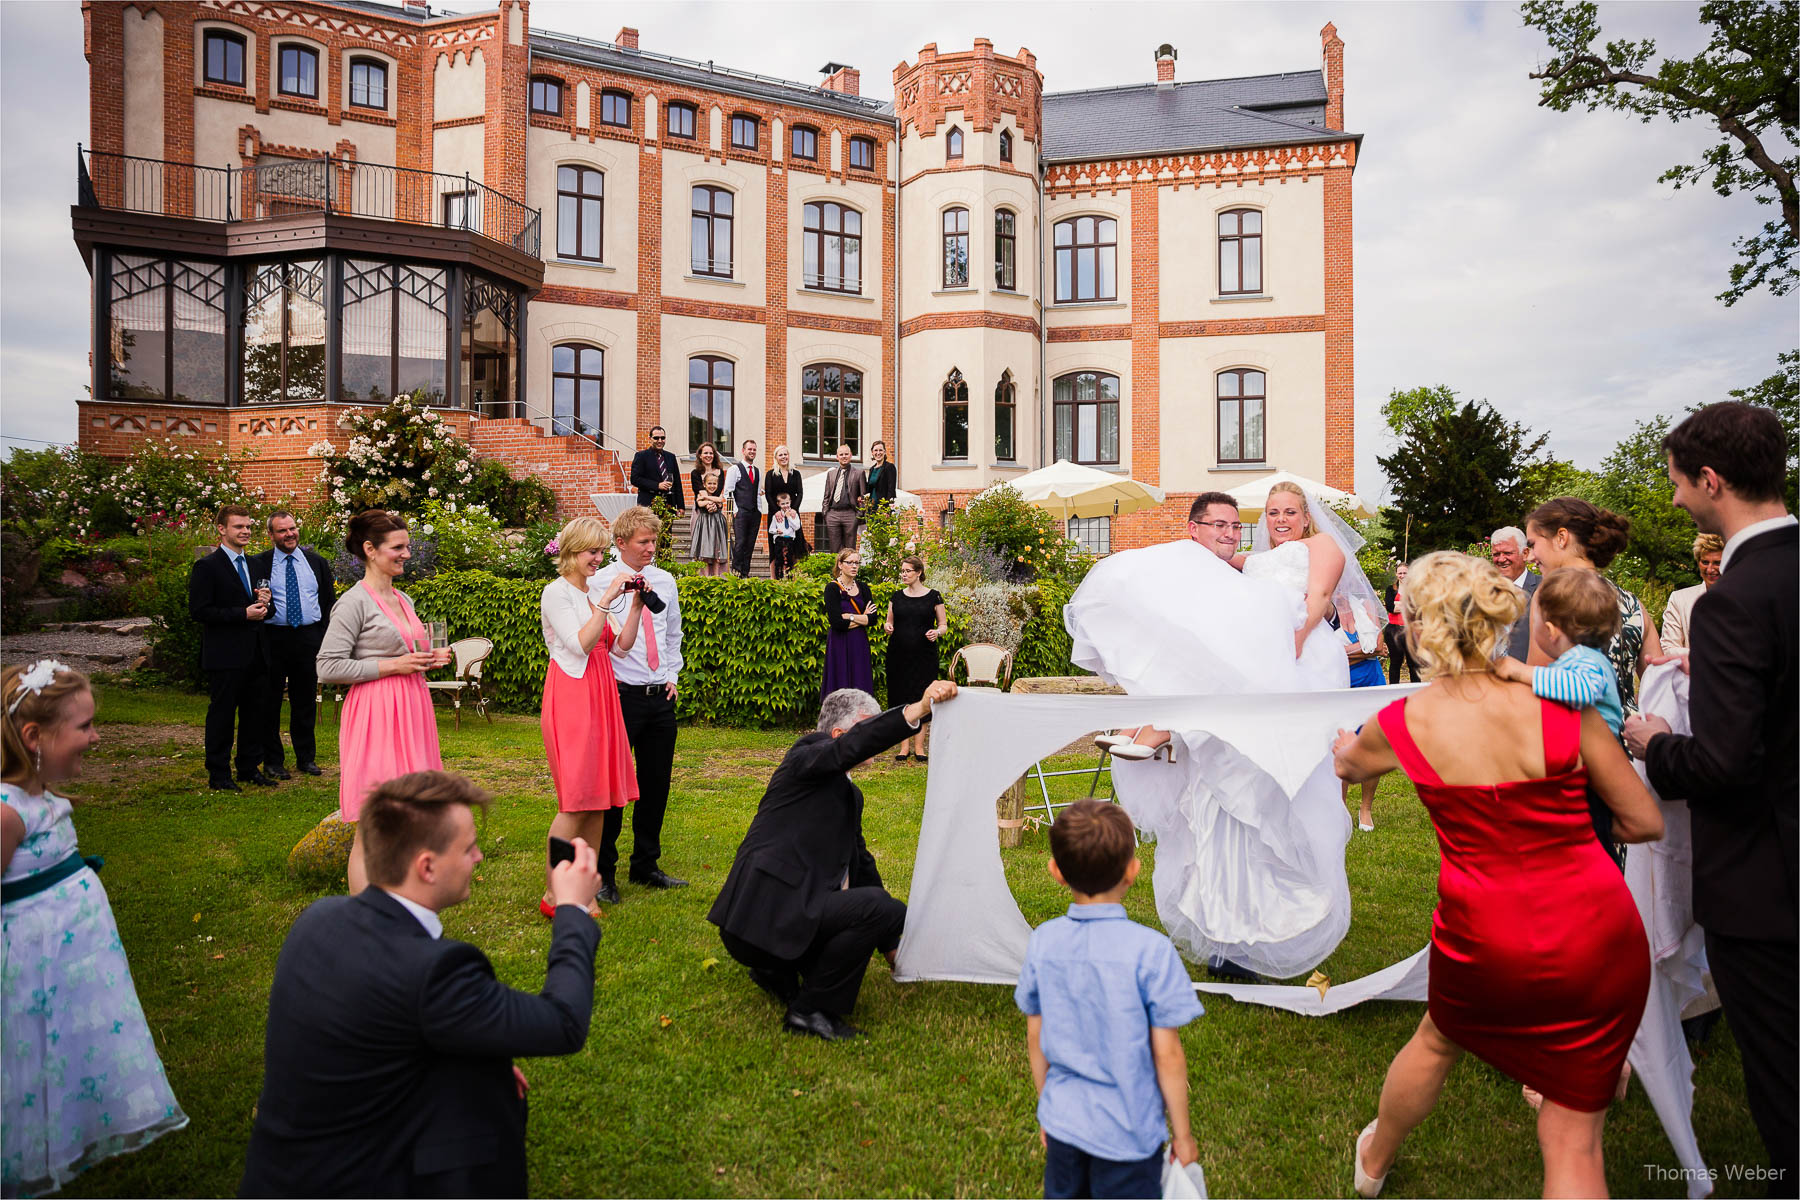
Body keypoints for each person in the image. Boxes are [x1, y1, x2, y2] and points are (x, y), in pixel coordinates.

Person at [1334, 551, 1662, 1199]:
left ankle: (1373, 1162)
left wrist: (1342, 749)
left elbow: (1348, 767)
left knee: (1436, 1041)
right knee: (1574, 1142)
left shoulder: (1402, 722)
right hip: (1596, 928)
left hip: (1483, 933)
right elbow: (1643, 819)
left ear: (1423, 630)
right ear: (1495, 621)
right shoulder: (1564, 711)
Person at [1065, 484, 1381, 978]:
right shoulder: (1253, 560)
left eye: (1290, 511)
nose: (1279, 519)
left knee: (1265, 787)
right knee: (1216, 791)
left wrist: (1284, 650)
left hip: (1295, 662)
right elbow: (1198, 569)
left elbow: (1317, 600)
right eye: (1272, 511)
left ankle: (1161, 726)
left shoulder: (1322, 547)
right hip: (1256, 667)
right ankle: (1222, 930)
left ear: (1306, 517)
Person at [239, 771, 602, 1198]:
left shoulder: (318, 919)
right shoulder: (435, 972)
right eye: (468, 848)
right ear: (426, 867)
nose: (480, 857)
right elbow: (561, 1022)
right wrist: (573, 910)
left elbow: (380, 1033)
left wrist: (479, 1065)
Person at [1625, 401, 1796, 1187]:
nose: (1673, 502)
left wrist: (1656, 744)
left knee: (1786, 1078)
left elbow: (1723, 765)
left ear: (1712, 478)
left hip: (1771, 884)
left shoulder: (1733, 601)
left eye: (1677, 485)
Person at [2, 661, 188, 1196]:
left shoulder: (45, 796)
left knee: (67, 1045)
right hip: (30, 960)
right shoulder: (8, 811)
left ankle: (71, 1128)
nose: (96, 736)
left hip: (72, 955)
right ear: (35, 736)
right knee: (31, 1051)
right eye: (84, 727)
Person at [708, 681, 958, 1041]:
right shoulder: (807, 754)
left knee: (885, 908)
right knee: (878, 907)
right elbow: (851, 747)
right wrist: (916, 710)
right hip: (757, 919)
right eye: (866, 728)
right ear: (839, 735)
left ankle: (775, 972)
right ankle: (809, 1010)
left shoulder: (848, 793)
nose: (873, 741)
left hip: (772, 919)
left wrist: (890, 942)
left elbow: (861, 864)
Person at [1016, 799, 1202, 1200]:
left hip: (1063, 1123)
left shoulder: (1042, 942)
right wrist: (1182, 1135)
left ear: (1056, 872)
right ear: (1133, 870)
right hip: (1131, 1134)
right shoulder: (1152, 952)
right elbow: (1168, 1054)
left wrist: (1047, 1106)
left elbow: (1036, 1036)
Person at [316, 510, 452, 896]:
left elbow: (413, 649)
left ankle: (400, 903)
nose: (407, 553)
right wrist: (394, 665)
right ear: (370, 550)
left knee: (412, 813)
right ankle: (365, 916)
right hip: (376, 713)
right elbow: (326, 666)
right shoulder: (353, 603)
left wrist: (431, 657)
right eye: (399, 547)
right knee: (376, 821)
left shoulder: (403, 597)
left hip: (411, 708)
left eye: (407, 545)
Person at [540, 516, 644, 913]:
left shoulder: (590, 594)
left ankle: (581, 887)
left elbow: (620, 648)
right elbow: (580, 644)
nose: (598, 559)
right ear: (570, 552)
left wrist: (634, 606)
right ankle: (553, 893)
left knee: (600, 800)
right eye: (592, 551)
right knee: (576, 800)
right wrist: (603, 602)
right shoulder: (557, 593)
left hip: (602, 694)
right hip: (572, 696)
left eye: (602, 552)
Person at [591, 506, 688, 891]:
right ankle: (604, 873)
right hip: (620, 695)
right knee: (614, 786)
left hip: (659, 697)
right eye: (643, 542)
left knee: (656, 784)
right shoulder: (600, 583)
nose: (651, 548)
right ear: (621, 543)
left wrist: (671, 675)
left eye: (654, 541)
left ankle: (645, 864)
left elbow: (672, 634)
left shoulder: (664, 581)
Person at [1523, 497, 1662, 714]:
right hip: (1635, 740)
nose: (1530, 557)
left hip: (1578, 739)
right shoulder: (1632, 603)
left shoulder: (1550, 597)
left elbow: (1537, 684)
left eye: (1533, 544)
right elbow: (1659, 685)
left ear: (1561, 537)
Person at [189, 504, 275, 790]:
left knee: (255, 714)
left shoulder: (256, 564)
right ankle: (219, 774)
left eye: (248, 526)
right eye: (239, 526)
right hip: (225, 655)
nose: (246, 531)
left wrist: (265, 604)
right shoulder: (207, 566)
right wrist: (242, 614)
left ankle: (249, 767)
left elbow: (266, 612)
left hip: (257, 653)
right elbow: (200, 611)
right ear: (222, 529)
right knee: (223, 716)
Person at [251, 509, 336, 779]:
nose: (289, 534)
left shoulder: (316, 562)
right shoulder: (260, 564)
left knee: (305, 701)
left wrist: (322, 635)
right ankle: (273, 761)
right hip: (273, 638)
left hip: (308, 638)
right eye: (282, 530)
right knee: (270, 701)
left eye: (292, 528)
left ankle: (306, 758)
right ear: (271, 534)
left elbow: (328, 602)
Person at [882, 554, 947, 761]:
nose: (904, 574)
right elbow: (888, 623)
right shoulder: (896, 596)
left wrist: (936, 633)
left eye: (908, 571)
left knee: (922, 697)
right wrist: (888, 627)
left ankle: (919, 747)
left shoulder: (934, 596)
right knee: (901, 698)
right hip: (898, 656)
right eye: (902, 571)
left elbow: (943, 625)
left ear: (919, 573)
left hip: (924, 657)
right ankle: (904, 747)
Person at [1336, 593, 1388, 832]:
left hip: (1372, 683)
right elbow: (1325, 658)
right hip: (1341, 685)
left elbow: (1378, 646)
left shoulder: (1366, 605)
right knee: (1343, 746)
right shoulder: (1324, 611)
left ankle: (1365, 808)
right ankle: (1341, 807)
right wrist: (1366, 650)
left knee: (1374, 747)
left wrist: (1345, 653)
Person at [821, 548, 876, 702]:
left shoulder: (863, 587)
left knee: (860, 680)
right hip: (839, 642)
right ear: (840, 564)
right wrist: (862, 618)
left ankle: (861, 720)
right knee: (840, 682)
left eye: (857, 563)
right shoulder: (832, 588)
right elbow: (837, 623)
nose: (854, 566)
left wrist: (850, 617)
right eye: (849, 562)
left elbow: (873, 619)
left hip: (859, 643)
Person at [1658, 532, 1724, 652]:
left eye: (1717, 563)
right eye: (1705, 562)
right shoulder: (1679, 599)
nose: (1710, 569)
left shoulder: (1745, 599)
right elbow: (1668, 648)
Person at [1490, 525, 1539, 661]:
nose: (1501, 559)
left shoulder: (1544, 588)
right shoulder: (1485, 592)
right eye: (1496, 554)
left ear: (1525, 554)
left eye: (1507, 553)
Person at [722, 439, 764, 577]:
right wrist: (734, 510)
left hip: (754, 513)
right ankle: (736, 571)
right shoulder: (735, 469)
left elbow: (758, 492)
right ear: (743, 451)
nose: (752, 452)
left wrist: (759, 510)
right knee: (740, 542)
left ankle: (745, 573)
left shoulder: (757, 471)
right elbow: (728, 492)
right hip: (740, 512)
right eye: (749, 449)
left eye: (754, 449)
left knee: (750, 544)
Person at [689, 441, 729, 575]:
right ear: (700, 455)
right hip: (700, 513)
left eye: (711, 453)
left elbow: (718, 491)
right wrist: (712, 503)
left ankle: (717, 577)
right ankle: (703, 577)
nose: (708, 455)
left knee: (717, 547)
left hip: (716, 513)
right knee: (703, 548)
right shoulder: (695, 473)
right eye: (705, 453)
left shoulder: (720, 472)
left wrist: (714, 504)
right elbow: (700, 491)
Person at [764, 444, 807, 567]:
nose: (784, 457)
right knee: (775, 545)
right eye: (780, 455)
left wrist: (794, 509)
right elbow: (768, 494)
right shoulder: (771, 474)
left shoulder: (796, 474)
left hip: (792, 513)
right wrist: (776, 511)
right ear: (776, 458)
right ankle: (774, 577)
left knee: (797, 542)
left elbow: (800, 493)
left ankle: (794, 575)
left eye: (785, 454)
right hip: (776, 514)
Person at [821, 443, 866, 552]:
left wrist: (859, 515)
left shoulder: (859, 473)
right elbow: (826, 496)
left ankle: (849, 568)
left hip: (850, 514)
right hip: (833, 514)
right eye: (841, 454)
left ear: (851, 455)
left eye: (846, 454)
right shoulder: (831, 474)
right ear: (837, 457)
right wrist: (825, 513)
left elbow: (864, 497)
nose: (844, 456)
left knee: (850, 549)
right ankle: (837, 569)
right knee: (834, 550)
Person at [629, 425, 685, 511]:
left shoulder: (671, 457)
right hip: (648, 505)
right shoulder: (641, 456)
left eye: (662, 438)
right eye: (656, 438)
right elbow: (635, 479)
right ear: (650, 439)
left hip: (668, 505)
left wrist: (681, 506)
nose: (660, 441)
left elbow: (677, 482)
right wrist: (657, 485)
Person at [1383, 564, 1419, 684]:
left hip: (1411, 630)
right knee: (1395, 662)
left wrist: (1399, 604)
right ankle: (1393, 690)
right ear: (1396, 574)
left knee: (1413, 663)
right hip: (1394, 630)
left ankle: (1415, 690)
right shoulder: (1391, 589)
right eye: (1400, 573)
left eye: (1405, 573)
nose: (1402, 576)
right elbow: (1390, 608)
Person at [768, 493, 804, 580]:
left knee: (790, 560)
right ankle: (778, 578)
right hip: (779, 540)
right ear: (778, 504)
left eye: (787, 503)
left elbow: (797, 527)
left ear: (790, 502)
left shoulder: (794, 515)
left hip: (790, 540)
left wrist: (789, 517)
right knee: (779, 561)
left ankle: (789, 578)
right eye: (783, 504)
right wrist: (776, 531)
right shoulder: (776, 516)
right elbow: (770, 529)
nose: (785, 506)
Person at [864, 439, 897, 514]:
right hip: (871, 508)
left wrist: (887, 509)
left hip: (882, 508)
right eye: (875, 450)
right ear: (872, 452)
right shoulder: (872, 469)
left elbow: (891, 490)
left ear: (884, 452)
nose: (878, 453)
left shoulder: (889, 467)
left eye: (880, 450)